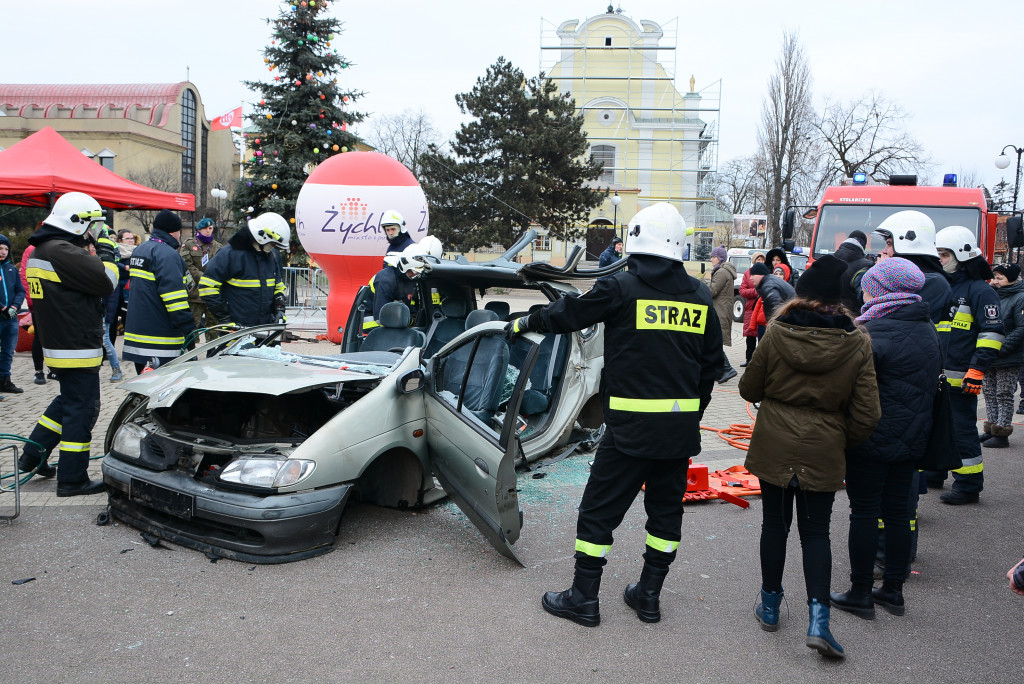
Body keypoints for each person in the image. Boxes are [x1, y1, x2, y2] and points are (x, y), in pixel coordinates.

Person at [508, 202, 724, 628]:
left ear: (637, 242)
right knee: (664, 516)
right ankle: (648, 597)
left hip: (627, 434)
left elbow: (568, 314)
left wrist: (521, 324)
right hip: (677, 436)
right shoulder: (699, 295)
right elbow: (711, 369)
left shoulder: (622, 287)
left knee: (598, 513)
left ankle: (583, 599)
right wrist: (687, 417)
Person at [738, 254, 880, 659]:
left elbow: (749, 389)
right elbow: (868, 413)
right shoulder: (856, 341)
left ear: (801, 295)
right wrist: (838, 437)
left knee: (774, 525)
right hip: (824, 445)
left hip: (774, 441)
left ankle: (769, 606)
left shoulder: (778, 332)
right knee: (816, 533)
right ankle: (819, 621)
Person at [830, 257, 941, 620]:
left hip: (871, 438)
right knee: (899, 513)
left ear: (881, 290)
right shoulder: (927, 328)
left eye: (869, 285)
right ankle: (893, 590)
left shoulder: (870, 332)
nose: (863, 290)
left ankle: (860, 592)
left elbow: (848, 389)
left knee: (864, 513)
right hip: (913, 439)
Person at [17, 191, 117, 496]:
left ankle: (32, 456)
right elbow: (107, 281)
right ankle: (73, 478)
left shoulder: (42, 250)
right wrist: (108, 250)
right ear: (77, 223)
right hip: (76, 344)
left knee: (66, 402)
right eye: (92, 226)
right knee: (82, 410)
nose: (94, 232)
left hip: (62, 343)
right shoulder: (61, 251)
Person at [930, 226, 1004, 505]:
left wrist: (977, 369)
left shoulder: (980, 291)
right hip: (935, 374)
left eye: (945, 254)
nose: (940, 260)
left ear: (962, 255)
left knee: (961, 430)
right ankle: (934, 472)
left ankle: (969, 483)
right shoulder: (941, 285)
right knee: (933, 426)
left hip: (962, 376)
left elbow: (992, 333)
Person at [123, 210, 196, 374]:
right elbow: (174, 299)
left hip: (138, 336)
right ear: (173, 231)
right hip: (162, 341)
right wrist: (189, 330)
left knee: (144, 390)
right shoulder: (167, 255)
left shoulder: (140, 250)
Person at [200, 212, 289, 329]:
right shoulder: (229, 254)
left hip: (267, 328)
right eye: (272, 244)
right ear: (261, 237)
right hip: (236, 329)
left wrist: (279, 309)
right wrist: (225, 318)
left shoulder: (273, 255)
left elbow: (278, 286)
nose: (273, 247)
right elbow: (207, 287)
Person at [980, 264, 1024, 448]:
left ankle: (1002, 432)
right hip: (990, 353)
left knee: (1004, 394)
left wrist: (1001, 347)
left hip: (1008, 356)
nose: (994, 281)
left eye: (999, 278)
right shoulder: (992, 295)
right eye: (994, 277)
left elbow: (1021, 328)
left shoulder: (1020, 298)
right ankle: (991, 428)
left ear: (1012, 279)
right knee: (989, 392)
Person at [363, 244, 427, 334]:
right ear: (405, 266)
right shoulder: (386, 280)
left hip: (394, 317)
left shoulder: (407, 277)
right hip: (373, 323)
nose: (415, 275)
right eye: (414, 272)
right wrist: (410, 322)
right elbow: (382, 317)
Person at [180, 217, 224, 342]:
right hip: (194, 293)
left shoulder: (218, 246)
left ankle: (212, 349)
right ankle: (191, 349)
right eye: (205, 228)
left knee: (213, 325)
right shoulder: (189, 245)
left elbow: (222, 266)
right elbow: (187, 265)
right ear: (198, 229)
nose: (208, 231)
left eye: (210, 228)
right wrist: (204, 277)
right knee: (193, 324)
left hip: (212, 293)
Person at [17, 244, 48, 384]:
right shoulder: (31, 249)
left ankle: (53, 370)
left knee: (52, 337)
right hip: (37, 301)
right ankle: (38, 371)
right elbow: (24, 275)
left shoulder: (57, 247)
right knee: (39, 336)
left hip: (53, 301)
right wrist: (31, 300)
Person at [0, 232, 26, 393]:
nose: (3, 251)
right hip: (2, 314)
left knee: (8, 351)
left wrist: (15, 307)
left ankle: (4, 380)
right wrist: (3, 307)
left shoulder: (11, 269)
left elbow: (20, 290)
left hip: (11, 317)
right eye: (0, 248)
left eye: (5, 248)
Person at [709, 246, 737, 382]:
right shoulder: (724, 271)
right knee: (715, 342)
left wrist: (701, 283)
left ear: (719, 258)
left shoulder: (721, 272)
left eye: (713, 257)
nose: (711, 259)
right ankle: (721, 371)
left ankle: (727, 369)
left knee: (715, 342)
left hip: (719, 311)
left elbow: (712, 291)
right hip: (721, 309)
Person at [748, 261, 795, 337]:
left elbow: (776, 307)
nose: (751, 278)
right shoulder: (769, 281)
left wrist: (772, 327)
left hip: (788, 322)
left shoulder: (768, 285)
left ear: (761, 275)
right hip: (789, 319)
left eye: (753, 275)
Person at [833, 230, 874, 313]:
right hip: (854, 319)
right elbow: (867, 298)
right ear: (863, 247)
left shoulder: (825, 260)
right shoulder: (866, 266)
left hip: (827, 316)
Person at [739, 252, 765, 367]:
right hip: (750, 308)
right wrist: (756, 292)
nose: (760, 261)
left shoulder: (766, 273)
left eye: (762, 259)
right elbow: (742, 291)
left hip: (762, 308)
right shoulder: (747, 274)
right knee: (750, 336)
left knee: (762, 336)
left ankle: (759, 361)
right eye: (758, 259)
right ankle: (749, 359)